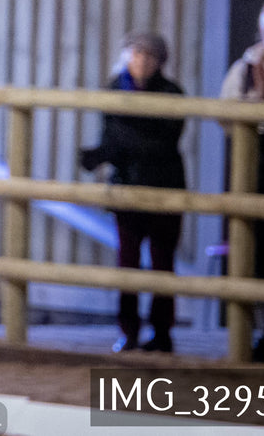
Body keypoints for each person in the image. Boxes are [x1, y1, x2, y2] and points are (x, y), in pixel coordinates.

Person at [79, 32, 186, 353]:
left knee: (161, 263)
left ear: (160, 62)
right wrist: (100, 154)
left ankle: (162, 333)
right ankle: (128, 331)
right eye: (136, 53)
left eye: (149, 56)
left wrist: (111, 148)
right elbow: (115, 138)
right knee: (126, 262)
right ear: (127, 55)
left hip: (164, 188)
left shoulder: (173, 94)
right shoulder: (114, 90)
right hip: (126, 188)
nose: (141, 60)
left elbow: (162, 143)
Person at [220, 0, 264, 361]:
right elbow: (224, 117)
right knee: (254, 253)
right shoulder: (243, 68)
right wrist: (257, 104)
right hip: (254, 174)